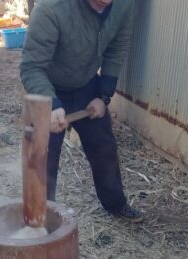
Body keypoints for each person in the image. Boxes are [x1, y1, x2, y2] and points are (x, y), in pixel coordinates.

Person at [19, 0, 143, 222]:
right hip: (47, 87)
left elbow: (117, 49)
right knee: (41, 156)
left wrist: (104, 95)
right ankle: (38, 219)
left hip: (86, 85)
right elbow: (31, 67)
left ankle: (115, 203)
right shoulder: (51, 9)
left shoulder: (124, 5)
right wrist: (52, 104)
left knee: (104, 148)